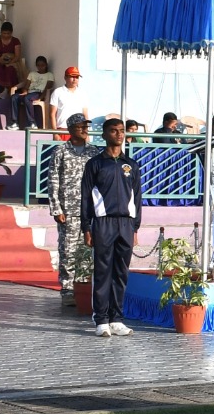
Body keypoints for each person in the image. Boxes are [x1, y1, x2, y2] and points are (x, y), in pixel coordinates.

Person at [81, 118, 143, 337]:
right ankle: (101, 319)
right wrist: (86, 227)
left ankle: (117, 319)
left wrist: (135, 228)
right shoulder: (95, 164)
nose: (119, 134)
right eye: (114, 131)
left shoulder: (131, 165)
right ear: (104, 135)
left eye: (121, 131)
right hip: (103, 223)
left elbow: (137, 198)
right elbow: (86, 197)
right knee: (102, 272)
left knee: (121, 273)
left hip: (125, 224)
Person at [44, 114, 99, 306]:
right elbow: (53, 181)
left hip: (89, 210)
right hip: (68, 210)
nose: (84, 130)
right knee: (68, 250)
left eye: (86, 127)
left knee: (86, 250)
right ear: (70, 129)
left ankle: (82, 286)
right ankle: (67, 289)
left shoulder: (93, 151)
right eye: (80, 127)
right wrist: (56, 208)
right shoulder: (60, 151)